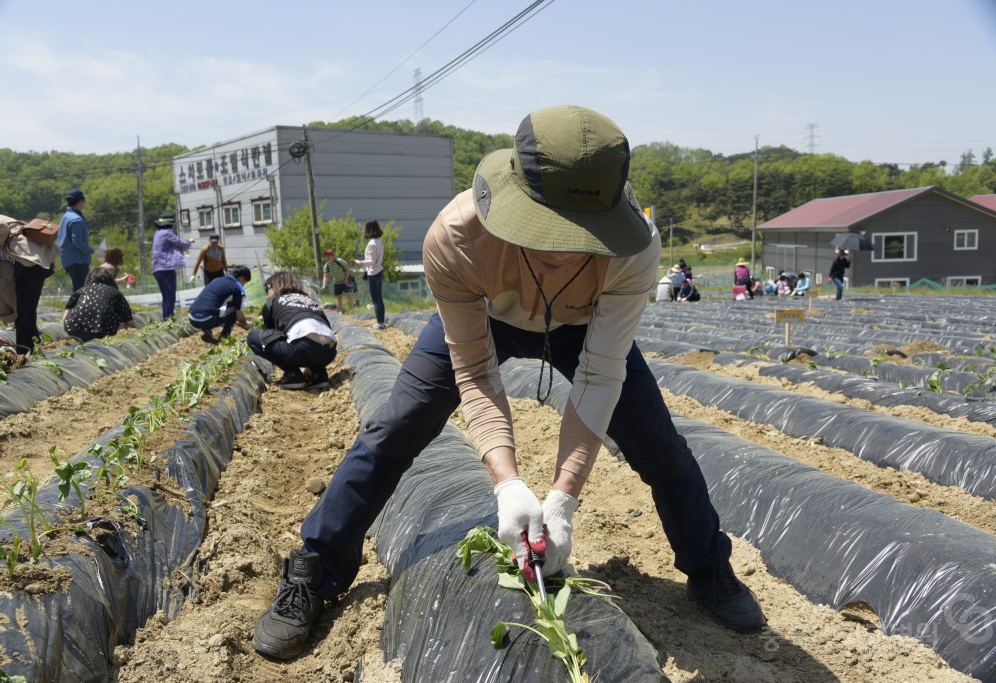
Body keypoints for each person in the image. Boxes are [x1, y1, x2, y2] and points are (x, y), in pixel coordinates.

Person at [252, 105, 765, 661]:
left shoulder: (634, 249)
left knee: (660, 445)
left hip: (580, 326)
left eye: (580, 235)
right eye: (545, 229)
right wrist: (508, 484)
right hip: (483, 316)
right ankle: (315, 567)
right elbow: (475, 373)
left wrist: (562, 500)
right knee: (395, 424)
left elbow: (599, 376)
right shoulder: (455, 235)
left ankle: (710, 566)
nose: (560, 250)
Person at [0, 206, 59, 354]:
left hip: (27, 255)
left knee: (25, 313)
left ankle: (27, 355)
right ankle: (30, 352)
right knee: (22, 313)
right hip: (10, 264)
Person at [248, 271, 336, 391]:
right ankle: (319, 374)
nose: (266, 296)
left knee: (253, 337)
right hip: (329, 353)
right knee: (306, 336)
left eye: (267, 290)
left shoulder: (272, 302)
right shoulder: (309, 300)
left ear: (274, 287)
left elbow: (271, 337)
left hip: (303, 350)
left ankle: (292, 374)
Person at [62, 267, 134, 342]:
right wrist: (123, 329)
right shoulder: (114, 292)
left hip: (74, 329)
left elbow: (66, 314)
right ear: (110, 280)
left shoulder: (80, 291)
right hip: (102, 331)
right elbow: (127, 319)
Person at [189, 264, 252, 343]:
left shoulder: (217, 280)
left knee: (213, 306)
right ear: (243, 279)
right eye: (245, 282)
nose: (243, 285)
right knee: (235, 309)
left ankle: (207, 331)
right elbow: (239, 316)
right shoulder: (237, 287)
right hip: (206, 318)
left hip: (192, 317)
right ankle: (224, 337)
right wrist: (245, 324)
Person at [151, 212, 194, 320]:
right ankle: (168, 319)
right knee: (170, 296)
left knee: (165, 296)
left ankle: (166, 318)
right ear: (171, 225)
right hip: (165, 269)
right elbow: (181, 243)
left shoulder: (158, 233)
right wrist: (189, 241)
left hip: (157, 269)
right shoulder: (168, 233)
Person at [58, 188, 94, 295]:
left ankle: (73, 311)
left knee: (79, 291)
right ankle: (73, 311)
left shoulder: (65, 217)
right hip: (78, 260)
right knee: (81, 292)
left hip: (67, 260)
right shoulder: (76, 220)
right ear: (80, 202)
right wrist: (93, 251)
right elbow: (77, 241)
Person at [351, 220, 386, 329]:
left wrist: (357, 262)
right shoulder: (379, 241)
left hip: (374, 273)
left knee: (376, 299)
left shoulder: (371, 244)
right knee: (379, 299)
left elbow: (370, 261)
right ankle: (381, 322)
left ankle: (380, 323)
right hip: (380, 270)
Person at [321, 249, 355, 314]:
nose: (328, 257)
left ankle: (351, 311)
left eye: (329, 255)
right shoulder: (326, 266)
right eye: (326, 256)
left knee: (349, 295)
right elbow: (325, 276)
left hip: (345, 279)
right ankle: (341, 311)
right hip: (337, 282)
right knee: (339, 297)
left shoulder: (339, 261)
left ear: (333, 256)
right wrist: (324, 286)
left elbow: (347, 269)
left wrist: (346, 280)